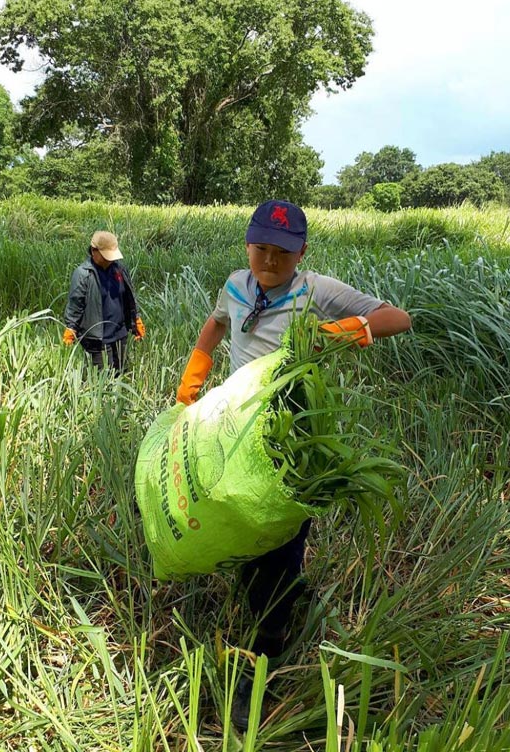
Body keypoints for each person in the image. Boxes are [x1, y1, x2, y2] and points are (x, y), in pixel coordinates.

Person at [176, 199, 411, 729]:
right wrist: (194, 376)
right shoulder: (237, 284)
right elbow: (216, 325)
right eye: (261, 248)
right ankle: (277, 592)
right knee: (240, 524)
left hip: (292, 437)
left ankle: (264, 655)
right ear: (247, 245)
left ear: (300, 251)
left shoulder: (317, 291)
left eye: (282, 251)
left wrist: (333, 335)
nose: (270, 260)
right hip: (235, 428)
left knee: (278, 540)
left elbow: (398, 317)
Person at [63, 230, 145, 373]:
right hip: (98, 337)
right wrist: (71, 328)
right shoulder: (84, 274)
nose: (110, 259)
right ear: (94, 251)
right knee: (103, 377)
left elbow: (129, 297)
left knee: (121, 372)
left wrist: (135, 319)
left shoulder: (119, 269)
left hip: (120, 333)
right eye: (106, 255)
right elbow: (76, 304)